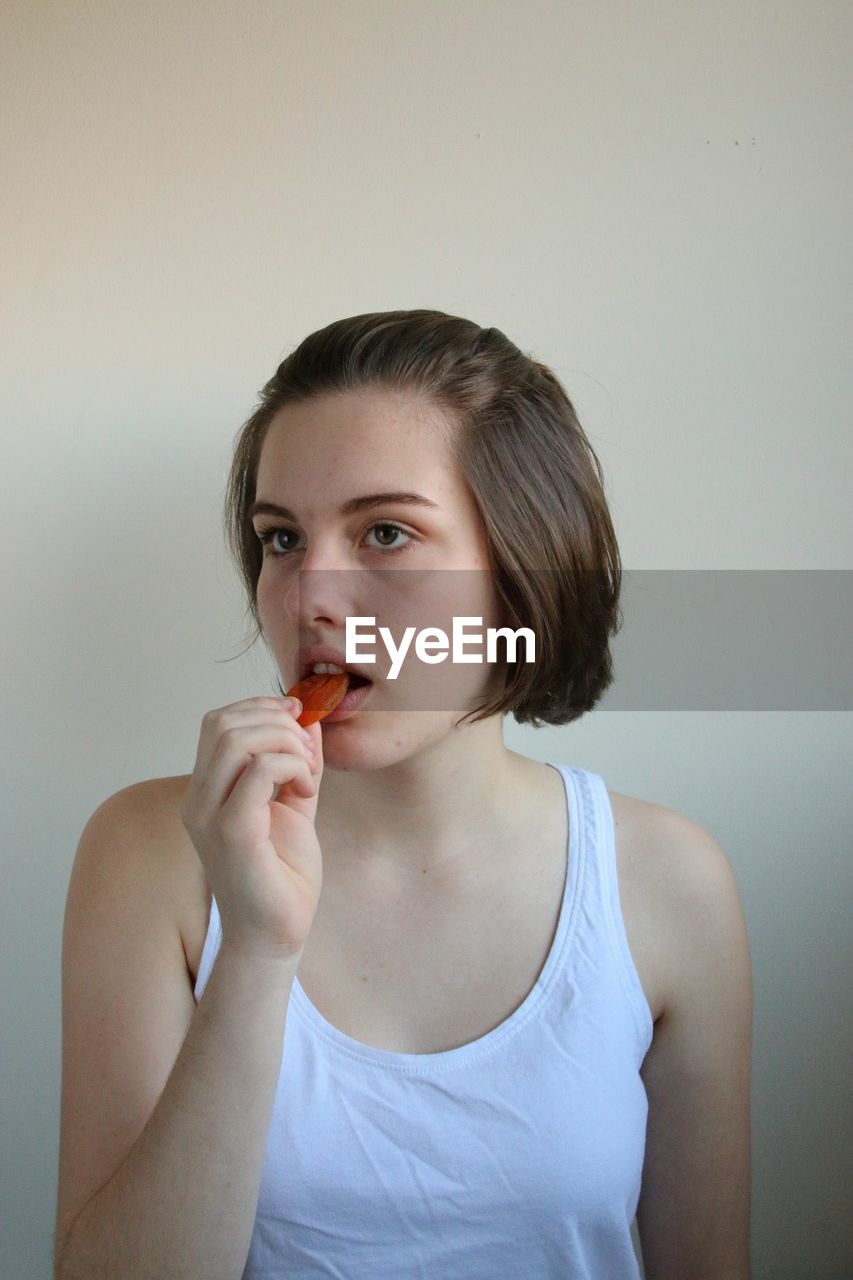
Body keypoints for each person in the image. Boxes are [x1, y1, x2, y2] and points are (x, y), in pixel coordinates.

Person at [54, 310, 753, 1279]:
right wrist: (258, 947)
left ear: (522, 571)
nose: (310, 596)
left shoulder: (669, 878)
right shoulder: (152, 851)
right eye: (281, 537)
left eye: (386, 531)